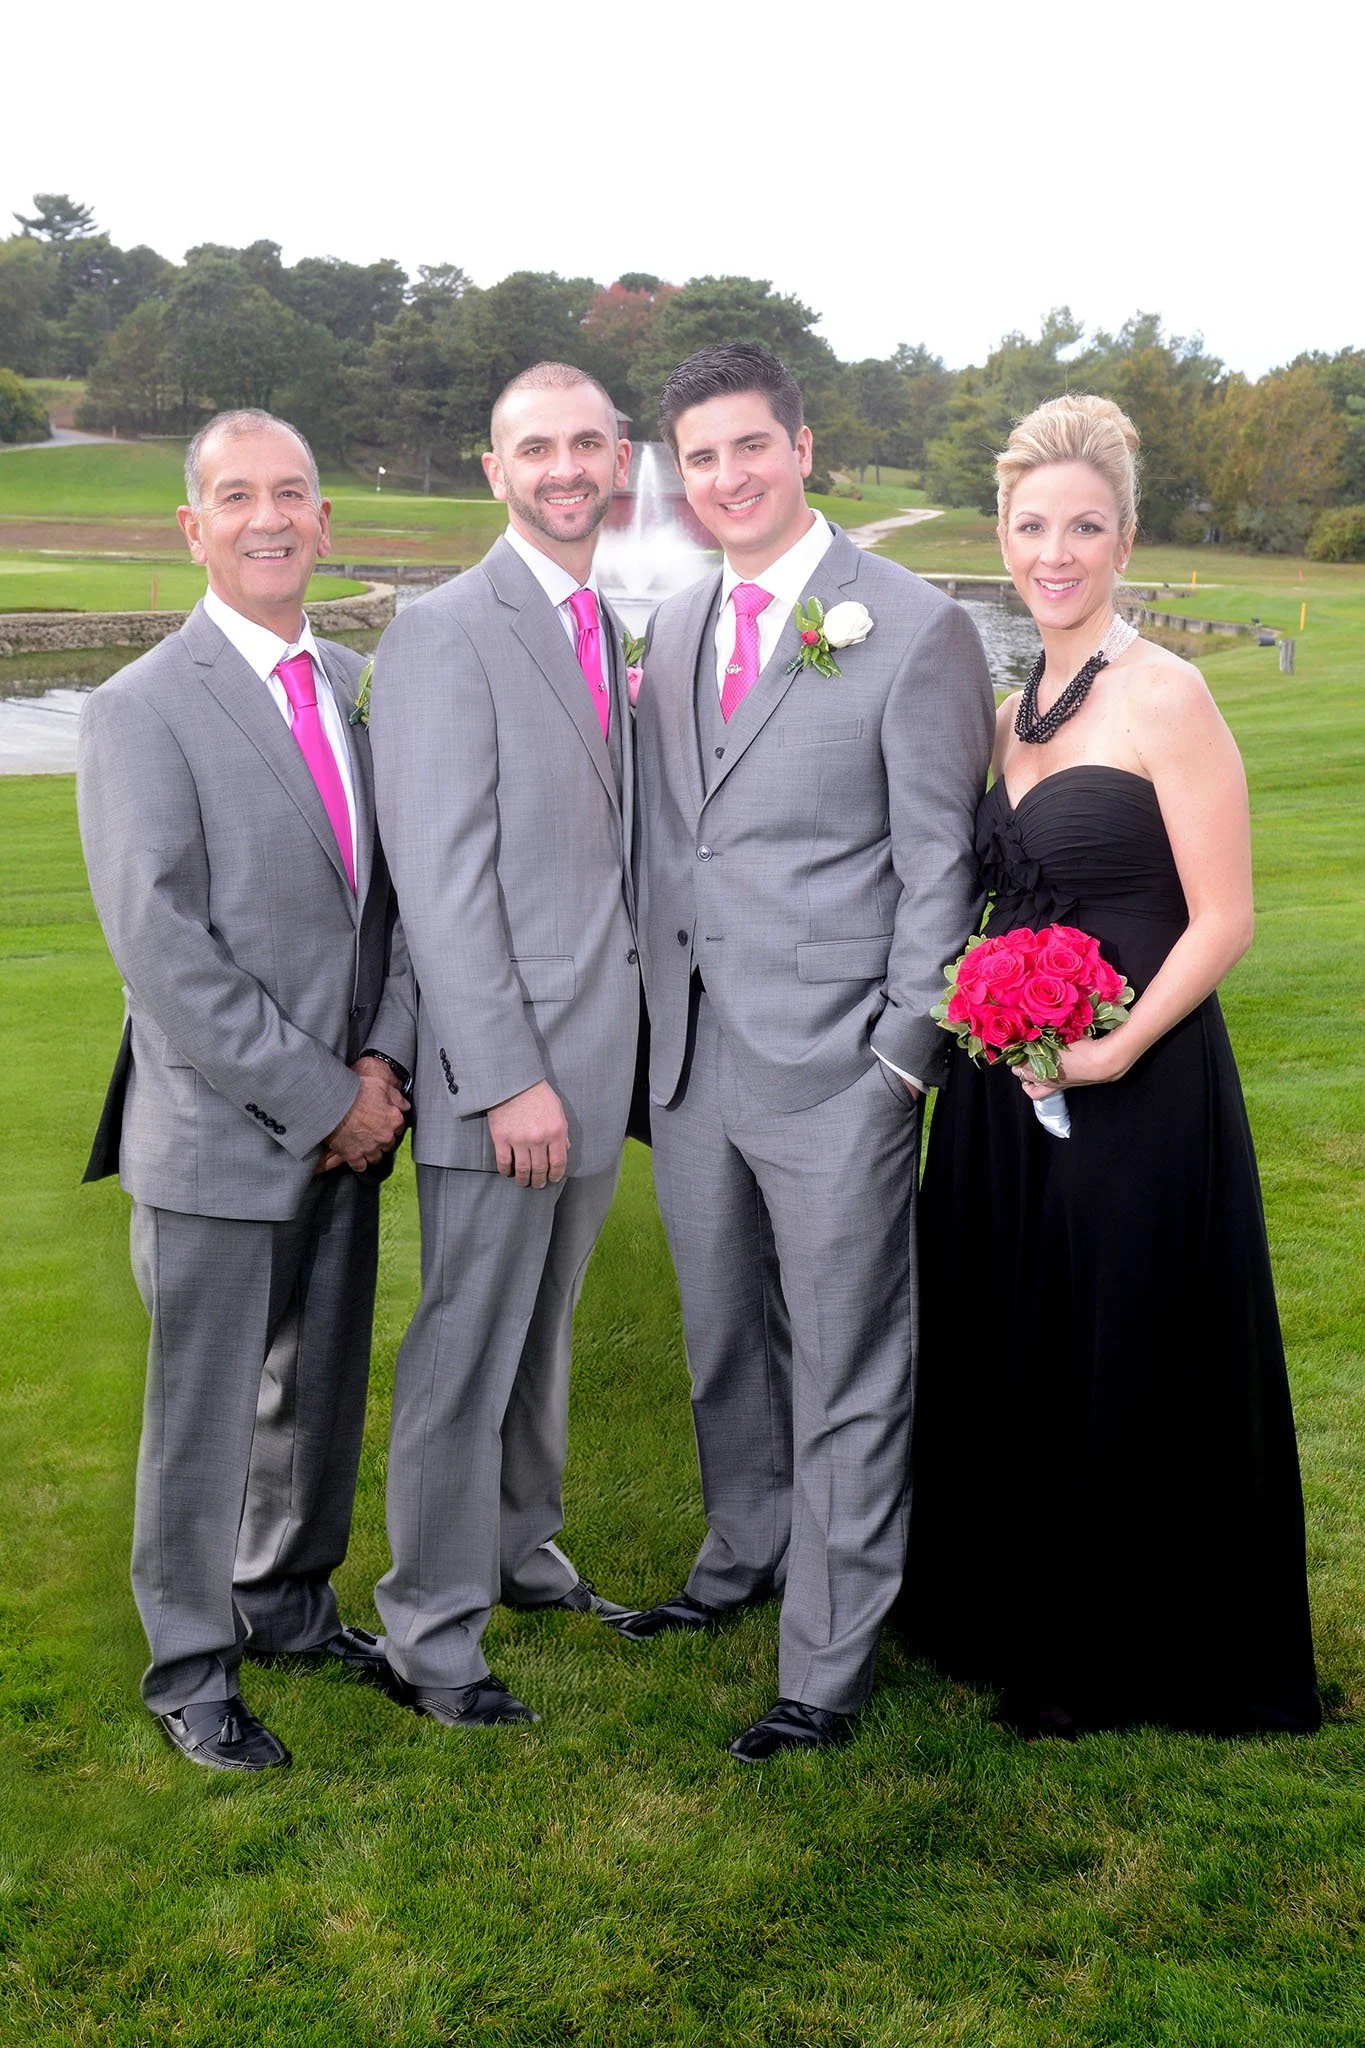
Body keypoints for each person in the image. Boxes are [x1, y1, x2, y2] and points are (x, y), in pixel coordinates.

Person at [900, 394, 1321, 1737]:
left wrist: (1115, 1048)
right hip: (999, 1088)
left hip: (1131, 1083)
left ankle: (1119, 1644)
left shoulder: (1167, 693)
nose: (1056, 552)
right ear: (1005, 537)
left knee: (1116, 1345)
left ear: (1126, 535)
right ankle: (1005, 1607)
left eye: (1084, 526)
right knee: (1013, 1337)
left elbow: (1226, 914)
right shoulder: (1013, 702)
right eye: (1032, 527)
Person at [625, 343, 995, 1759]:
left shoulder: (908, 627)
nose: (726, 479)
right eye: (701, 459)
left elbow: (938, 867)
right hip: (696, 1057)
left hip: (842, 1062)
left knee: (848, 1359)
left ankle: (826, 1663)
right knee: (725, 1339)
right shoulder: (674, 626)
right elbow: (680, 837)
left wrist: (904, 1057)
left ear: (804, 445)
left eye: (749, 449)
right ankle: (744, 1556)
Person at [77, 409, 415, 1772]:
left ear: (324, 521)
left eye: (293, 494)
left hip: (355, 1119)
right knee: (206, 1416)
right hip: (222, 1131)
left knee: (320, 1392)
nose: (269, 518)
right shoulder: (140, 707)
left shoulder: (354, 681)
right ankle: (190, 1663)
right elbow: (164, 952)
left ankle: (285, 1604)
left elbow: (392, 903)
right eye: (238, 497)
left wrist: (380, 1070)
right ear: (195, 527)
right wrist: (320, 1093)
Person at [367, 363, 641, 1730]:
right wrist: (505, 1077)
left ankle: (523, 1548)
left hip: (601, 1058)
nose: (565, 467)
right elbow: (440, 878)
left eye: (587, 442)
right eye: (537, 447)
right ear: (494, 469)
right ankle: (428, 1627)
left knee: (544, 1337)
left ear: (620, 458)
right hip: (510, 1075)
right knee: (465, 1347)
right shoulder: (444, 633)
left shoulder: (606, 622)